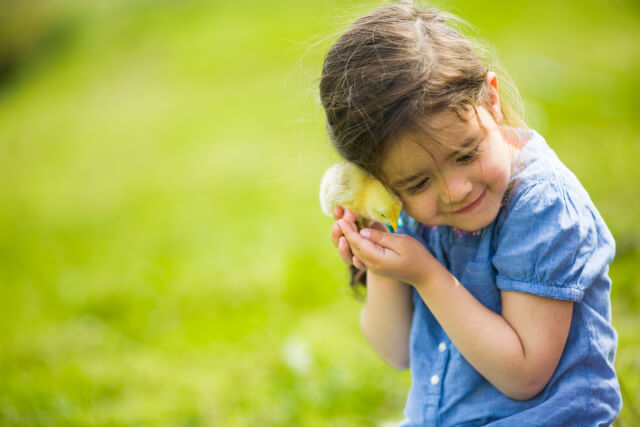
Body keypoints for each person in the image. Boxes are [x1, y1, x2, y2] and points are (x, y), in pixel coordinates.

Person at [319, 2, 622, 425]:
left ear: (491, 99)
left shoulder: (540, 204)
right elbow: (396, 351)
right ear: (380, 181)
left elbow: (525, 374)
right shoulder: (404, 209)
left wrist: (426, 274)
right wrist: (384, 265)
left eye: (467, 153)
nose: (456, 190)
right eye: (419, 183)